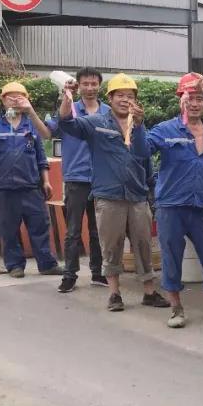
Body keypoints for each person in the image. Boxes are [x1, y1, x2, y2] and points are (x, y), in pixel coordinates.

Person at [58, 73, 168, 311]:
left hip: (137, 195)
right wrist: (67, 97)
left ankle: (149, 293)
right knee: (111, 246)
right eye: (120, 95)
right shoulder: (96, 123)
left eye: (130, 96)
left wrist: (139, 126)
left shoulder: (138, 125)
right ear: (110, 98)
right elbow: (66, 123)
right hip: (108, 196)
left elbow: (145, 157)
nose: (125, 100)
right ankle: (114, 294)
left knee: (143, 245)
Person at [146, 73, 203, 328]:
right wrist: (137, 126)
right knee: (171, 257)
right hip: (171, 206)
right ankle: (176, 309)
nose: (195, 104)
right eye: (190, 98)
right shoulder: (164, 130)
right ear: (181, 100)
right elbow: (142, 150)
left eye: (200, 99)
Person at [0, 83, 62, 277]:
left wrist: (46, 181)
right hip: (3, 188)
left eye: (19, 97)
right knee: (8, 230)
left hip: (31, 187)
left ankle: (47, 264)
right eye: (10, 97)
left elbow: (41, 156)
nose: (14, 101)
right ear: (3, 100)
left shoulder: (32, 125)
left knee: (40, 227)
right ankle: (15, 265)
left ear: (27, 99)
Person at [43, 67, 109, 293]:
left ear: (99, 85)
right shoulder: (69, 107)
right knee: (73, 231)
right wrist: (66, 96)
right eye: (85, 84)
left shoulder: (108, 112)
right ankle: (69, 275)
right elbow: (53, 128)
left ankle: (98, 272)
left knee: (98, 230)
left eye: (94, 83)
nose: (90, 88)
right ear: (78, 86)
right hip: (75, 178)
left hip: (101, 178)